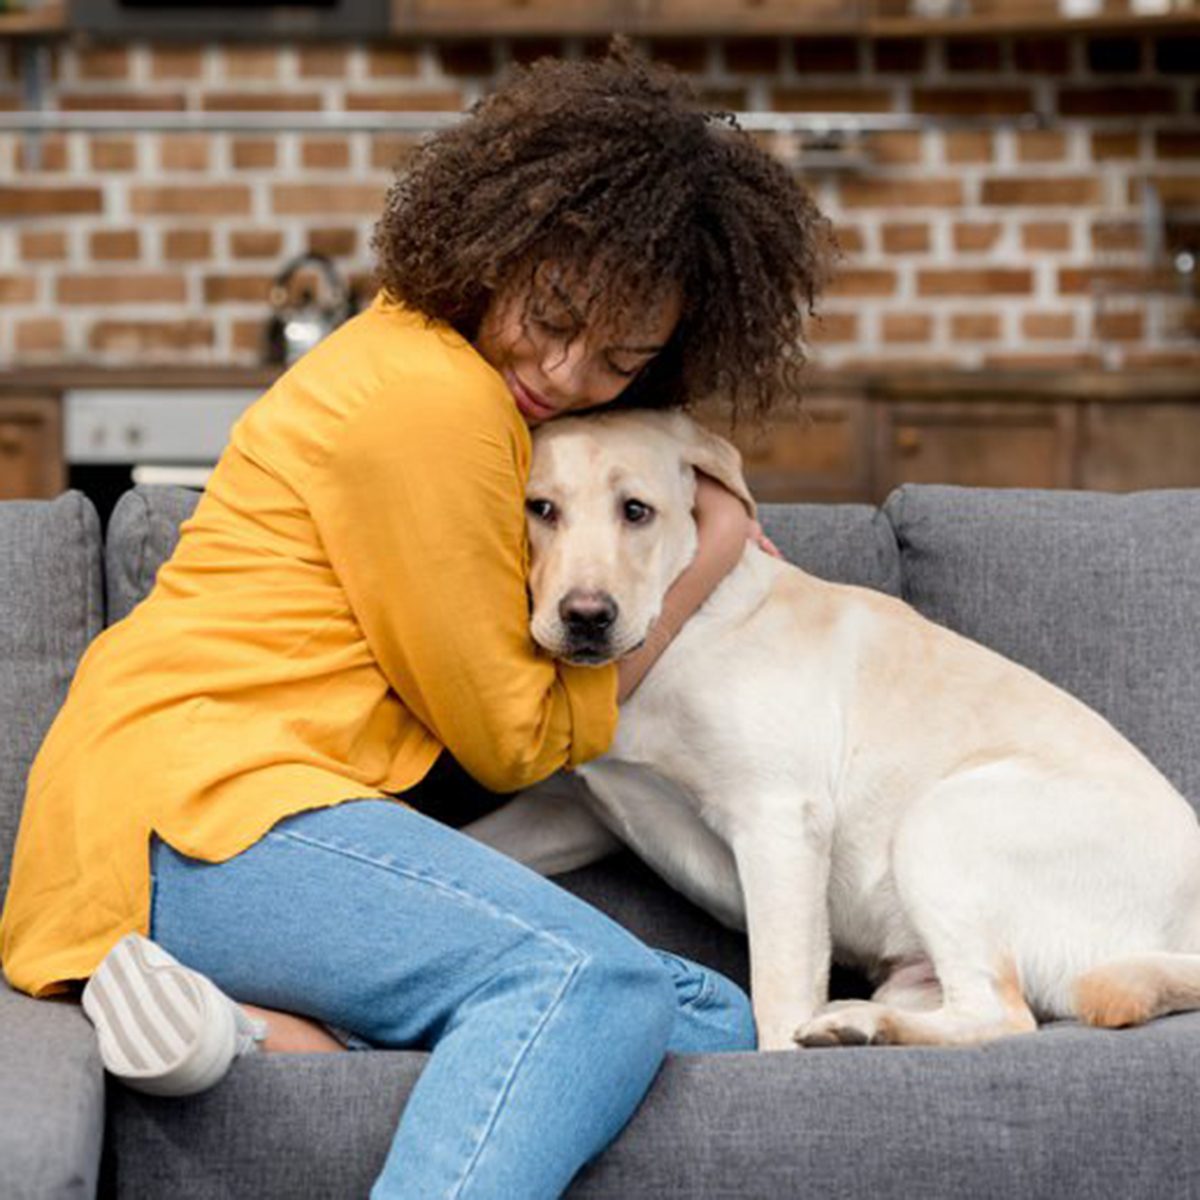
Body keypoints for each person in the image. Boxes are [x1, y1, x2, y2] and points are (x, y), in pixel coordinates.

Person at [0, 40, 834, 1200]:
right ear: (500, 243)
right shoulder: (433, 401)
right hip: (203, 810)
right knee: (590, 982)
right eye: (552, 316)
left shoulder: (430, 366)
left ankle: (244, 1029)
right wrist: (712, 551)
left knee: (708, 1012)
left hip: (227, 819)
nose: (566, 372)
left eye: (620, 360)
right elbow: (513, 739)